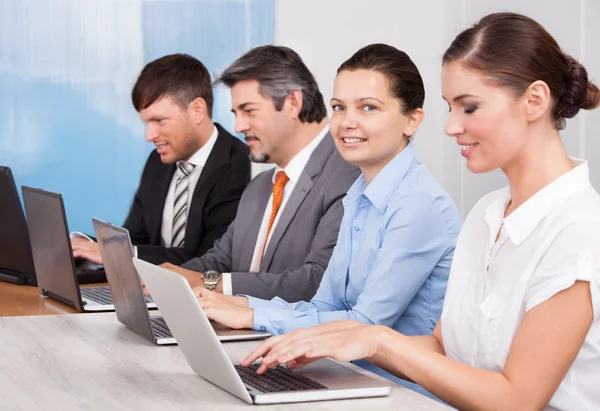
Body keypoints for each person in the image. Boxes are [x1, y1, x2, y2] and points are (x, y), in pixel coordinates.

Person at [239, 13, 600, 411]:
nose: (450, 127)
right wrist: (334, 341)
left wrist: (377, 339)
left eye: (469, 107)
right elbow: (443, 345)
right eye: (450, 107)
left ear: (534, 100)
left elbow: (516, 400)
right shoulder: (487, 213)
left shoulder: (579, 231)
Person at [194, 44, 461, 394]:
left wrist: (253, 315)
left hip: (401, 393)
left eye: (368, 107)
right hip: (344, 377)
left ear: (412, 120)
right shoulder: (359, 194)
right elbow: (325, 306)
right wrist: (240, 304)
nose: (347, 121)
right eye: (339, 108)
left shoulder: (419, 204)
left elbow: (367, 325)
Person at [164, 46, 360, 301]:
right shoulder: (259, 187)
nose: (238, 126)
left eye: (249, 111)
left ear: (293, 103)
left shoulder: (348, 175)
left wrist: (209, 283)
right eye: (236, 114)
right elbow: (220, 260)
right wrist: (164, 280)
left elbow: (316, 281)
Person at [71, 53, 251, 265]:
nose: (149, 136)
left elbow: (208, 262)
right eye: (147, 122)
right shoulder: (157, 163)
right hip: (151, 292)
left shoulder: (240, 166)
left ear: (197, 110)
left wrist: (120, 252)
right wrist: (84, 246)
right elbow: (136, 240)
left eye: (159, 121)